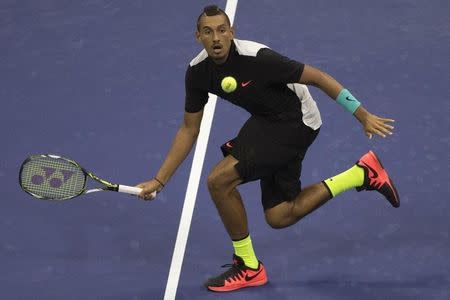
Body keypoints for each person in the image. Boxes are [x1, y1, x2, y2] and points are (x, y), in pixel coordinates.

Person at [136, 5, 399, 292]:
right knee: (280, 215)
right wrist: (160, 180)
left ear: (232, 33)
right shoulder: (198, 73)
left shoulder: (258, 59)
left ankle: (249, 267)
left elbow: (318, 77)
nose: (216, 38)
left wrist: (362, 115)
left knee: (219, 181)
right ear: (197, 36)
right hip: (266, 120)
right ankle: (362, 174)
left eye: (222, 30)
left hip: (297, 120)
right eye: (208, 32)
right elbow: (189, 129)